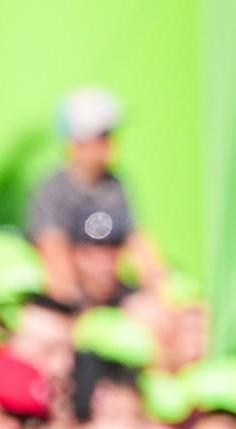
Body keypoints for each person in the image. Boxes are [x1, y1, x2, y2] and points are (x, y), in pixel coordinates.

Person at [25, 88, 165, 306]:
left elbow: (139, 245)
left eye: (110, 134)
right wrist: (78, 312)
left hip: (109, 299)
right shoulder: (53, 189)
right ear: (76, 143)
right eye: (101, 136)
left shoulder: (116, 185)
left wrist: (161, 293)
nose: (110, 143)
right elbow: (55, 260)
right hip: (70, 305)